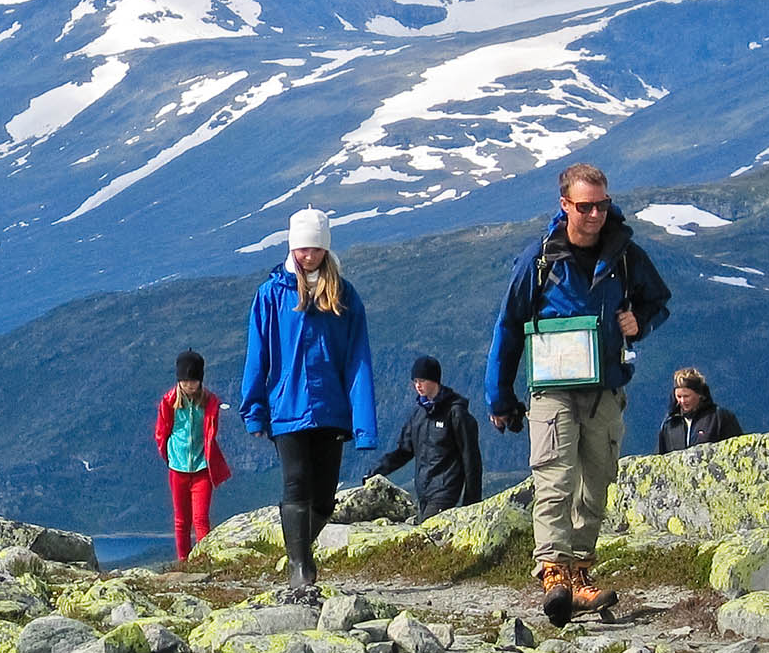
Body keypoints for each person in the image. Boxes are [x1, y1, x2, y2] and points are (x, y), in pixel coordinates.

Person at [485, 163, 670, 626]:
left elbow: (657, 301)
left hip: (604, 387)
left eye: (601, 205)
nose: (594, 215)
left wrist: (639, 323)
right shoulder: (539, 259)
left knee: (596, 481)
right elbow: (508, 328)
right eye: (584, 206)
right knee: (553, 479)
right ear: (564, 204)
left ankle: (581, 575)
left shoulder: (626, 256)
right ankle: (554, 575)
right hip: (551, 390)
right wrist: (499, 396)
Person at [241, 206, 377, 589]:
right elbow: (258, 354)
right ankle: (301, 568)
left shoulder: (345, 296)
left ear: (325, 249)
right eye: (301, 248)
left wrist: (363, 423)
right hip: (287, 408)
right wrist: (254, 410)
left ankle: (296, 549)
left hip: (332, 410)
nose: (307, 255)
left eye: (314, 248)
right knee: (296, 484)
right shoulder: (271, 295)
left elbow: (358, 359)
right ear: (292, 247)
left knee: (325, 499)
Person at [371, 356, 483, 523]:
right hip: (424, 492)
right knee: (427, 537)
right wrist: (376, 472)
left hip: (445, 490)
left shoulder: (455, 413)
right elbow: (404, 451)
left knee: (429, 535)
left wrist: (472, 500)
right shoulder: (418, 414)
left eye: (422, 380)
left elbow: (471, 458)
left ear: (434, 380)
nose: (418, 385)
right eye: (415, 381)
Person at [154, 349, 233, 561]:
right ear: (179, 380)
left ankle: (201, 560)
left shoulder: (209, 402)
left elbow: (210, 432)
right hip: (177, 469)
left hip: (201, 469)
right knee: (181, 520)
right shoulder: (169, 401)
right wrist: (170, 457)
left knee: (200, 519)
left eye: (194, 380)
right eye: (186, 380)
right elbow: (161, 433)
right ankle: (183, 561)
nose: (190, 385)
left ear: (200, 380)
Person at [656, 367, 744, 454]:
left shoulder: (720, 418)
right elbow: (659, 458)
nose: (682, 401)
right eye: (679, 396)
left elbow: (738, 451)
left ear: (699, 394)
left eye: (686, 396)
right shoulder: (670, 424)